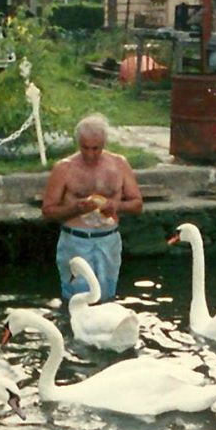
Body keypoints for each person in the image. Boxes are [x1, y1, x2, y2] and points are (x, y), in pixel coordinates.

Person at [42, 113, 143, 303]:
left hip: (108, 240)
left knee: (107, 297)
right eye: (85, 148)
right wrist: (75, 209)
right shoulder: (64, 168)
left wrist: (116, 206)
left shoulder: (119, 164)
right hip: (76, 240)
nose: (90, 154)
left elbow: (137, 205)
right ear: (78, 143)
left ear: (104, 143)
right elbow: (48, 211)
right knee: (77, 299)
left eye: (95, 148)